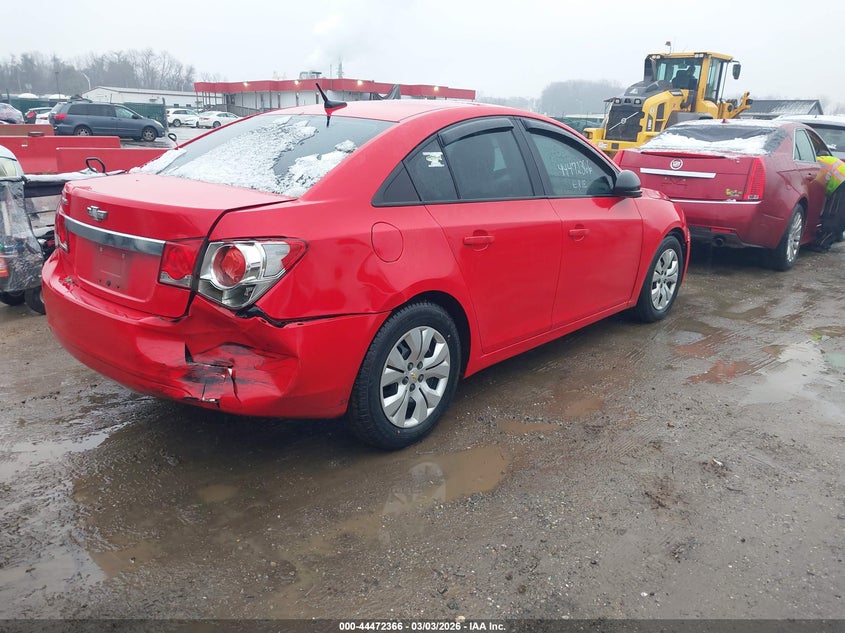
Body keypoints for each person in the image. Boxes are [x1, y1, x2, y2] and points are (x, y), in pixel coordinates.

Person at [812, 154, 845, 251]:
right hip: (841, 182)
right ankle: (837, 235)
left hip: (842, 184)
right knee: (840, 215)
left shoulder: (814, 164)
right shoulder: (823, 160)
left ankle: (821, 244)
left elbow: (817, 185)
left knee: (833, 215)